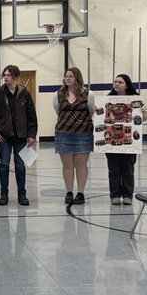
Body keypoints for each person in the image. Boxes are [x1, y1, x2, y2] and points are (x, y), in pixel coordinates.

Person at [0, 64, 38, 206]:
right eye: (4, 75)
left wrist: (32, 135)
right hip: (4, 136)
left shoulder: (25, 94)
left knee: (20, 166)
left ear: (15, 77)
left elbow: (31, 116)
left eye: (8, 75)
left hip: (21, 136)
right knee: (4, 165)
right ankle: (3, 194)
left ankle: (22, 195)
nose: (6, 77)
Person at [54, 67, 97, 205]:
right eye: (66, 76)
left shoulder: (88, 94)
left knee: (81, 164)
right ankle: (69, 191)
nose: (68, 78)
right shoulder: (58, 94)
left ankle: (80, 192)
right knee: (67, 165)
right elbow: (57, 111)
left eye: (71, 76)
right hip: (63, 133)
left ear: (77, 78)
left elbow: (90, 112)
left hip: (83, 133)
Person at [105, 73, 147, 205]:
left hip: (129, 140)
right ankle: (115, 196)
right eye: (115, 82)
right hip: (112, 141)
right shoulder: (107, 99)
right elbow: (102, 119)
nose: (116, 84)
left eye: (120, 82)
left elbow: (143, 119)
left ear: (127, 85)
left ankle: (128, 195)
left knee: (128, 169)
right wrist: (98, 110)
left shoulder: (135, 99)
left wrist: (144, 112)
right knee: (114, 169)